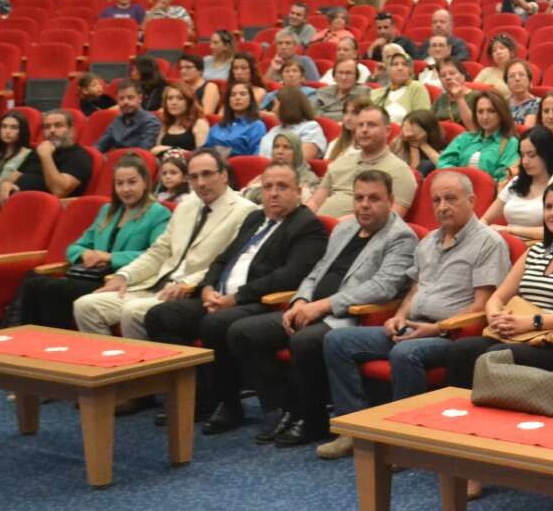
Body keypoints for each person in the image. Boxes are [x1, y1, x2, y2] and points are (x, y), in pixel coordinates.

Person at [316, 170, 513, 459]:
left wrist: (437, 328)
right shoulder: (429, 241)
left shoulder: (488, 243)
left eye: (451, 199)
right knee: (337, 341)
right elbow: (415, 289)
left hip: (451, 335)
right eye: (436, 200)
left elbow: (483, 305)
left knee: (405, 353)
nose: (442, 207)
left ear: (471, 201)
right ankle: (352, 431)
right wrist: (398, 316)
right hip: (413, 326)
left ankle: (405, 442)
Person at [230, 170, 418, 448]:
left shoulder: (401, 237)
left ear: (390, 201)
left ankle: (312, 420)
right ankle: (282, 407)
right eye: (359, 198)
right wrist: (301, 301)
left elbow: (382, 287)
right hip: (312, 308)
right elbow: (317, 272)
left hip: (349, 318)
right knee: (242, 332)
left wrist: (323, 306)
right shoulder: (344, 229)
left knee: (303, 340)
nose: (364, 205)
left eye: (374, 198)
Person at [142, 161, 328, 430]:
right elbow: (222, 259)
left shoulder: (307, 225)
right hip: (220, 298)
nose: (273, 193)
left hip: (262, 303)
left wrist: (235, 298)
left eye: (282, 187)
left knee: (215, 323)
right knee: (161, 316)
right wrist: (208, 288)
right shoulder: (255, 218)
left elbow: (290, 276)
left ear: (298, 192)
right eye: (268, 187)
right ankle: (200, 396)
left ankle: (228, 403)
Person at [72, 148, 256, 348]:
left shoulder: (245, 211)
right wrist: (124, 276)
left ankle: (140, 366)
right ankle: (107, 362)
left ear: (224, 175)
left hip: (190, 291)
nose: (201, 183)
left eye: (207, 174)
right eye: (194, 177)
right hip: (155, 283)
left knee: (133, 311)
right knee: (85, 306)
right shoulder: (187, 206)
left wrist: (187, 283)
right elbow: (158, 251)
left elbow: (228, 264)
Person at [442, 178, 553, 393]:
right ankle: (456, 410)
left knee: (495, 357)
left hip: (550, 342)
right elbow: (497, 297)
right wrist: (495, 317)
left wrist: (534, 322)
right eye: (548, 207)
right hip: (514, 333)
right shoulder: (535, 251)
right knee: (460, 350)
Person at [16, 155, 171, 329]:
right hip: (92, 275)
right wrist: (85, 253)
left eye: (132, 182)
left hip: (121, 281)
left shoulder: (158, 213)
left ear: (145, 182)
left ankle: (49, 338)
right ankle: (29, 336)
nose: (125, 189)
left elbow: (156, 256)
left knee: (49, 287)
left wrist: (110, 257)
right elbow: (75, 247)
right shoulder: (108, 210)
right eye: (120, 183)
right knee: (33, 281)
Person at [310, 107, 419, 218]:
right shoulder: (342, 160)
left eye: (371, 125)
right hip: (318, 225)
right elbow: (315, 202)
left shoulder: (400, 171)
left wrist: (339, 224)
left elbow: (391, 219)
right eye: (360, 125)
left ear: (387, 131)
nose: (364, 130)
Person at [0, 109, 93, 200]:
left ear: (71, 129)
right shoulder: (38, 150)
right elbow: (15, 176)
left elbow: (59, 190)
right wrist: (5, 184)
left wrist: (46, 156)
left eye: (58, 125)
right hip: (16, 200)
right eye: (47, 127)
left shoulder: (79, 156)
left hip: (44, 206)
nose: (52, 130)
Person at [433, 88, 520, 183]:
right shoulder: (465, 138)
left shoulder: (510, 143)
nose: (485, 117)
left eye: (491, 111)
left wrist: (473, 180)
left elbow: (503, 178)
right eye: (480, 112)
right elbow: (442, 164)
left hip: (488, 190)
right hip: (457, 186)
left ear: (501, 113)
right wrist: (462, 179)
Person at [245, 131, 319, 203]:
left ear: (297, 153)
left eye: (286, 147)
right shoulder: (266, 175)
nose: (279, 151)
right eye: (276, 147)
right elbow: (247, 196)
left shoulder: (310, 180)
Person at [91, 80, 161, 153]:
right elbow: (100, 146)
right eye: (121, 98)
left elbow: (142, 152)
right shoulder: (117, 120)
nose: (125, 102)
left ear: (140, 98)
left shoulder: (150, 122)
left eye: (130, 98)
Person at [205, 81, 265, 157]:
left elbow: (255, 157)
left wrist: (229, 152)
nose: (237, 98)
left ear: (251, 100)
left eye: (242, 94)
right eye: (233, 95)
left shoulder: (257, 126)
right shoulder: (218, 126)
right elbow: (205, 149)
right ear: (228, 101)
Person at [368, 52, 428, 123]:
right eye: (395, 64)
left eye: (405, 64)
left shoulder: (417, 88)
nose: (400, 68)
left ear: (410, 70)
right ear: (388, 70)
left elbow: (423, 119)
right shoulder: (376, 93)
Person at [0, 112, 32, 188]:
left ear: (22, 131)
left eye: (14, 127)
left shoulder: (28, 155)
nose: (7, 131)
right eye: (4, 127)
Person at [390, 110, 444, 178]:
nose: (404, 130)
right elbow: (414, 173)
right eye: (403, 125)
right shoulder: (398, 142)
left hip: (434, 178)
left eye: (412, 127)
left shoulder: (437, 142)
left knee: (427, 165)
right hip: (405, 178)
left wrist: (422, 143)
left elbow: (444, 166)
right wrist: (413, 144)